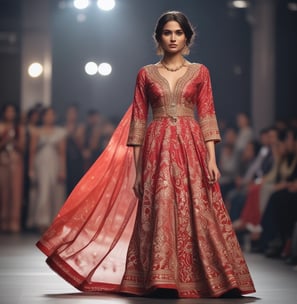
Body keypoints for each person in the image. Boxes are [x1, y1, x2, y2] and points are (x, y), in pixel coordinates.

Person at [36, 11, 255, 298]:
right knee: (161, 206)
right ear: (159, 38)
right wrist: (138, 171)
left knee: (198, 208)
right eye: (167, 33)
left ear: (187, 37)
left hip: (192, 147)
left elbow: (208, 117)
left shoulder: (200, 72)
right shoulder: (146, 74)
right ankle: (161, 278)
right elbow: (139, 123)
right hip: (158, 147)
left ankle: (212, 276)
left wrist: (212, 159)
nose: (173, 38)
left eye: (178, 33)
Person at [27, 107, 67, 233]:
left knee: (55, 190)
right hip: (41, 162)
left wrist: (62, 170)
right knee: (42, 190)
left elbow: (62, 153)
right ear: (43, 117)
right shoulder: (36, 131)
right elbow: (32, 151)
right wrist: (31, 169)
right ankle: (41, 221)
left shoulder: (60, 132)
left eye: (52, 115)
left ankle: (54, 221)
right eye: (47, 115)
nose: (49, 117)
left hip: (54, 162)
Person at [0, 103, 25, 233]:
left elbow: (22, 146)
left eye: (12, 111)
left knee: (16, 191)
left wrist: (13, 141)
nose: (10, 114)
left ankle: (14, 222)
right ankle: (3, 221)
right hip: (3, 161)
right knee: (3, 191)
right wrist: (5, 140)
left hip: (16, 160)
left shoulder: (19, 128)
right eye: (8, 111)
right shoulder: (1, 126)